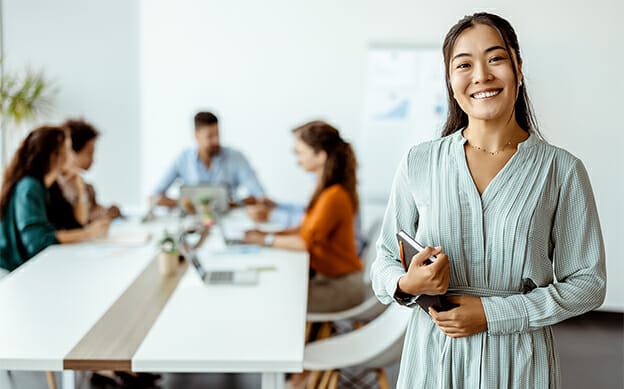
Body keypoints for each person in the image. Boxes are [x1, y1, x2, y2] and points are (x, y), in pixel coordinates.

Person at [370, 12, 606, 388]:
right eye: (464, 64)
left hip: (519, 361)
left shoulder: (561, 170)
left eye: (495, 58)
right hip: (432, 358)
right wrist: (408, 284)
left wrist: (494, 313)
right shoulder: (419, 161)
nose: (481, 75)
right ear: (450, 80)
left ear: (518, 67)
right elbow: (382, 262)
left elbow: (588, 284)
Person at [244, 121, 366, 313]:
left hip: (341, 287)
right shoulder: (324, 190)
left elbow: (306, 243)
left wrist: (264, 239)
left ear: (320, 156)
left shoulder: (334, 195)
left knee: (275, 301)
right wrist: (265, 234)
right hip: (328, 279)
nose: (297, 159)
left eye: (300, 152)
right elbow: (306, 228)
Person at [0, 126, 109, 275]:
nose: (72, 156)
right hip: (13, 273)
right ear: (55, 156)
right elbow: (37, 242)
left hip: (30, 269)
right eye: (68, 150)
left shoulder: (47, 187)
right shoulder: (30, 187)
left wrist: (79, 188)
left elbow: (74, 224)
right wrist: (89, 233)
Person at [151, 111, 268, 208]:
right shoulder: (183, 159)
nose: (216, 140)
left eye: (217, 134)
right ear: (196, 136)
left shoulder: (236, 157)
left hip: (229, 218)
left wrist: (234, 203)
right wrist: (185, 203)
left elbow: (260, 195)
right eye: (210, 136)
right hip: (193, 220)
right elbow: (153, 197)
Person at [58, 119, 122, 223]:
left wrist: (107, 212)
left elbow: (95, 211)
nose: (93, 159)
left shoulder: (87, 188)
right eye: (89, 153)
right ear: (70, 151)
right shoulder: (56, 188)